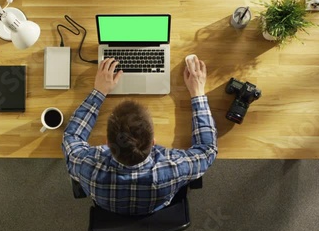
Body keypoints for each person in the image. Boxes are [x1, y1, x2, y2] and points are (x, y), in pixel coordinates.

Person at [62, 56, 217, 215]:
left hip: (109, 206)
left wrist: (99, 91)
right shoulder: (174, 169)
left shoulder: (88, 168)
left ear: (108, 142)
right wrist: (197, 93)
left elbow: (71, 137)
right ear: (153, 142)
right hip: (155, 206)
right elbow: (207, 150)